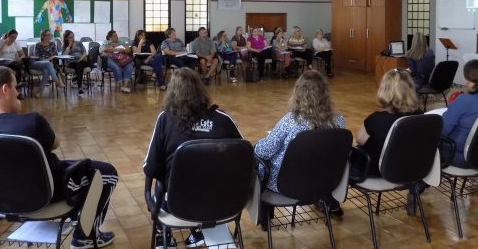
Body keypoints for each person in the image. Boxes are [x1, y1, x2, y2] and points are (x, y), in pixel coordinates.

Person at [0, 66, 118, 249]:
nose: (17, 93)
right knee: (107, 173)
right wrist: (17, 114)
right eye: (15, 87)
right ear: (5, 90)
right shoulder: (31, 122)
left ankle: (78, 219)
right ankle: (85, 238)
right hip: (44, 194)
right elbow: (55, 143)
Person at [143, 67, 241, 248]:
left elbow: (151, 167)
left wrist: (148, 197)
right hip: (221, 203)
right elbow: (244, 158)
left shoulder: (165, 119)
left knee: (162, 177)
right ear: (201, 89)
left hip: (177, 205)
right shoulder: (223, 120)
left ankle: (164, 237)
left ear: (172, 93)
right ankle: (198, 232)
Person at [255, 71, 346, 217]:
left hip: (287, 185)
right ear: (325, 93)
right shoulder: (339, 121)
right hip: (324, 182)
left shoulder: (290, 121)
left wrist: (256, 146)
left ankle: (264, 215)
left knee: (257, 158)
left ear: (298, 93)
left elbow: (263, 152)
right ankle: (326, 201)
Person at [355, 69, 421, 177]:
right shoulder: (420, 115)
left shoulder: (377, 119)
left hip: (377, 172)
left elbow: (360, 140)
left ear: (384, 90)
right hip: (408, 170)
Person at [33, 29, 65, 96]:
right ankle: (57, 81)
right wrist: (47, 59)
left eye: (50, 35)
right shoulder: (38, 45)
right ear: (43, 36)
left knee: (46, 71)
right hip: (38, 63)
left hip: (49, 64)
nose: (49, 36)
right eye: (47, 35)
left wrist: (52, 57)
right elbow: (37, 57)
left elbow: (55, 55)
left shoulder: (52, 44)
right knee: (48, 63)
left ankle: (40, 92)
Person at [62, 30, 90, 96]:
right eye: (70, 37)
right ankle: (79, 87)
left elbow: (84, 53)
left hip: (81, 60)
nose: (72, 38)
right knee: (79, 65)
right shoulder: (64, 46)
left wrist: (81, 58)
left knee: (80, 63)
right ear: (66, 38)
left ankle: (78, 84)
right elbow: (64, 55)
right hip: (71, 63)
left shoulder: (79, 43)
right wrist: (69, 46)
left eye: (73, 36)